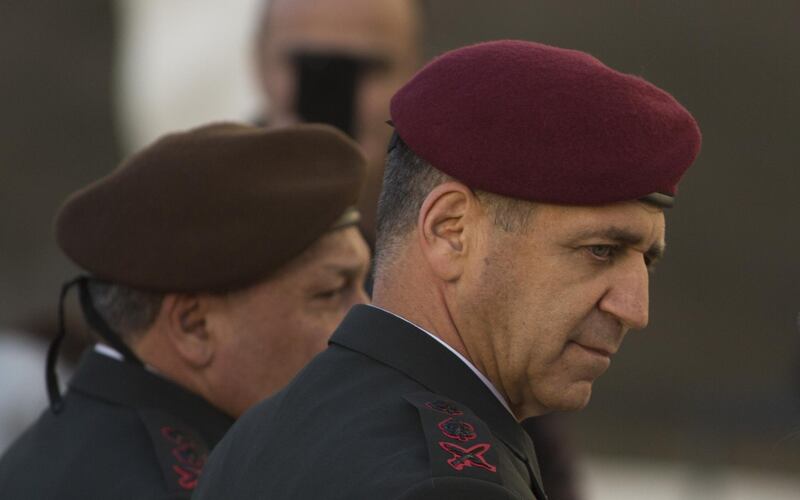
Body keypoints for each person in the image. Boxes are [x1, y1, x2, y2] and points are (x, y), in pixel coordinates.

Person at [194, 40, 702, 499]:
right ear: (450, 231)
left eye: (648, 261)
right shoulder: (449, 483)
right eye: (599, 250)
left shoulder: (261, 432)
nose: (635, 309)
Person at [0, 123, 371, 499]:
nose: (368, 318)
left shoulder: (72, 441)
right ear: (194, 326)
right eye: (330, 292)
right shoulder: (192, 485)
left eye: (363, 284)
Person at [253, 0, 424, 245]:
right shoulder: (197, 216)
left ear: (415, 71)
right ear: (260, 63)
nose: (331, 92)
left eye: (368, 66)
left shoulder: (450, 229)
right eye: (308, 65)